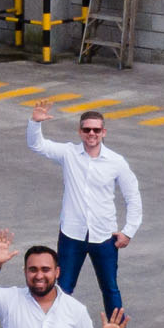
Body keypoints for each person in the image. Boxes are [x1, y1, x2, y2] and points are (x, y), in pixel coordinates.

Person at [28, 103, 143, 316]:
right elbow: (37, 145)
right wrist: (35, 123)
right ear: (80, 132)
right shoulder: (69, 153)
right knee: (63, 288)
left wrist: (129, 231)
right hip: (72, 234)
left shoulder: (116, 162)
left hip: (104, 236)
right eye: (87, 129)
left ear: (103, 132)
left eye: (96, 130)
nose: (92, 134)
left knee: (110, 289)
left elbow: (133, 197)